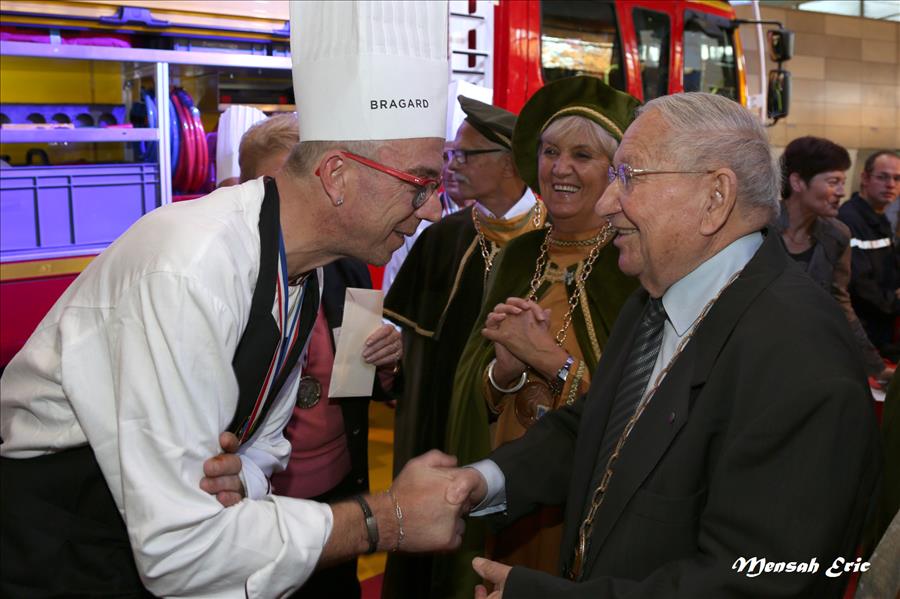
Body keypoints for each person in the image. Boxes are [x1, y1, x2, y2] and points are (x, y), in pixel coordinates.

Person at [0, 3, 468, 597]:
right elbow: (180, 552)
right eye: (421, 183)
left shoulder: (301, 267)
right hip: (60, 549)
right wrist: (385, 520)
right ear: (337, 175)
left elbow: (266, 445)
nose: (433, 209)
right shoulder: (189, 268)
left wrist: (239, 473)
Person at [447, 92, 880, 598]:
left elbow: (755, 584)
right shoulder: (656, 296)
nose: (606, 205)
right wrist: (481, 481)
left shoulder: (800, 355)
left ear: (715, 197)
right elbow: (594, 428)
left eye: (627, 177)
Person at [443, 76, 639, 594]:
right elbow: (473, 388)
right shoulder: (518, 255)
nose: (560, 168)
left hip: (584, 493)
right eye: (550, 152)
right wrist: (503, 373)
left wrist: (554, 364)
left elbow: (646, 410)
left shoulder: (633, 264)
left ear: (616, 172)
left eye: (582, 155)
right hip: (505, 484)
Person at [381, 96, 547, 599]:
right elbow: (406, 361)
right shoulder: (442, 238)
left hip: (518, 437)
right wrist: (387, 368)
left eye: (465, 156)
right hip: (437, 434)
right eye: (449, 155)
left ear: (511, 162)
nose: (450, 168)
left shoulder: (557, 239)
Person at [232, 113, 402, 599]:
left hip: (335, 495)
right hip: (259, 499)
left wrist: (388, 366)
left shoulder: (347, 263)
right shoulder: (230, 282)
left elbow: (360, 381)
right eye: (276, 183)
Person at [776, 136, 891, 381]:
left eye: (842, 182)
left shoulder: (837, 236)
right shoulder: (755, 228)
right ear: (797, 182)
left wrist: (876, 367)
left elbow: (840, 304)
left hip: (805, 361)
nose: (841, 191)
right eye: (833, 182)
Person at [838, 150, 900, 361]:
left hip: (882, 329)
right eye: (882, 177)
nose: (891, 184)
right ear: (865, 178)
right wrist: (894, 302)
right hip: (863, 334)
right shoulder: (850, 219)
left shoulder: (880, 217)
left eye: (897, 178)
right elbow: (859, 283)